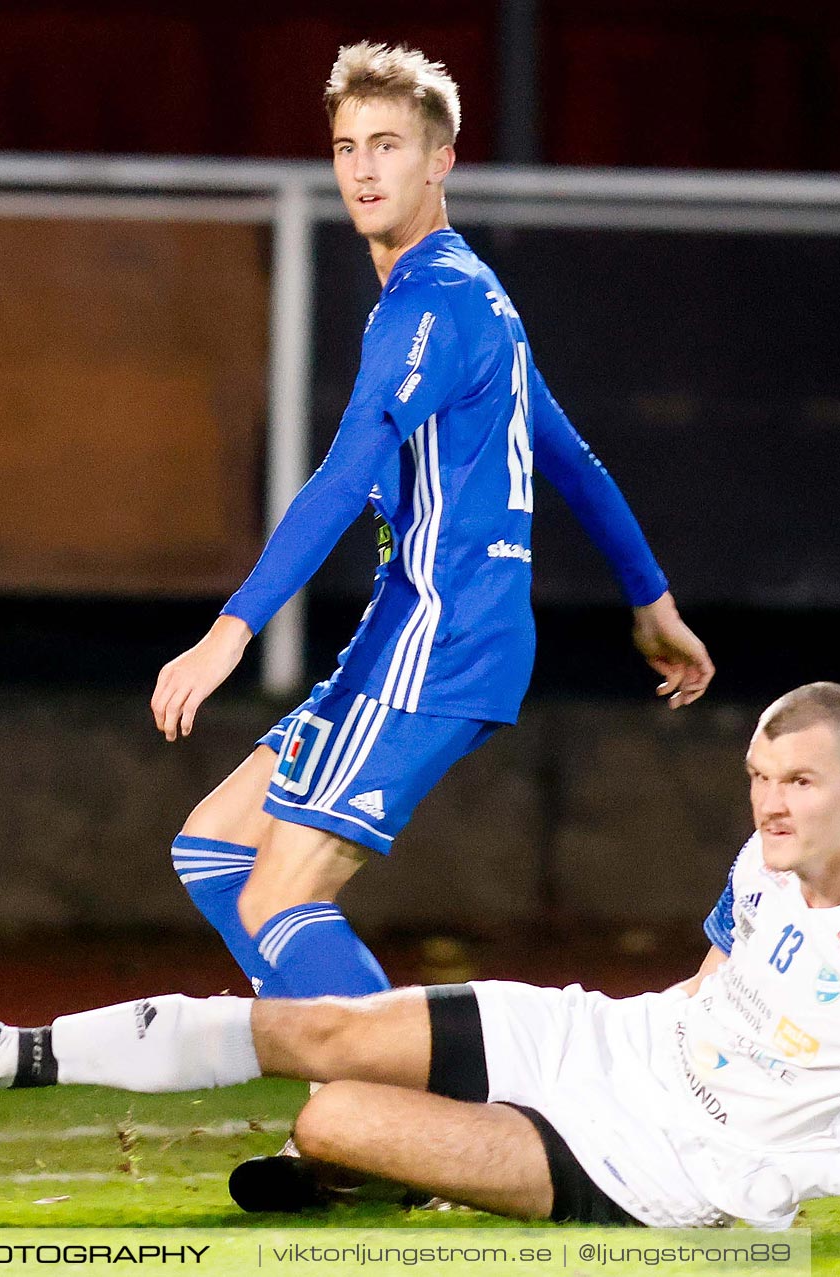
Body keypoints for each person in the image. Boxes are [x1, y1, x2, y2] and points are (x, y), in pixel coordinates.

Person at [0, 683, 840, 1228]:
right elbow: (710, 980)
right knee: (326, 1025)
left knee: (336, 1110)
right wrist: (610, 1035)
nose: (771, 801)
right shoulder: (763, 860)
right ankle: (0, 1053)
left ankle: (371, 1166)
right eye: (757, 775)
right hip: (607, 1040)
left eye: (797, 780)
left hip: (664, 1167)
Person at [150, 42, 713, 1004]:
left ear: (440, 161)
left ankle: (411, 1108)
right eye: (345, 147)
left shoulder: (430, 304)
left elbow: (342, 474)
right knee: (215, 851)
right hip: (416, 630)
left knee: (275, 898)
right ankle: (364, 1102)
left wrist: (228, 632)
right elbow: (566, 456)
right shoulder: (472, 291)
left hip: (442, 638)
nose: (363, 169)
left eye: (389, 145)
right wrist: (651, 601)